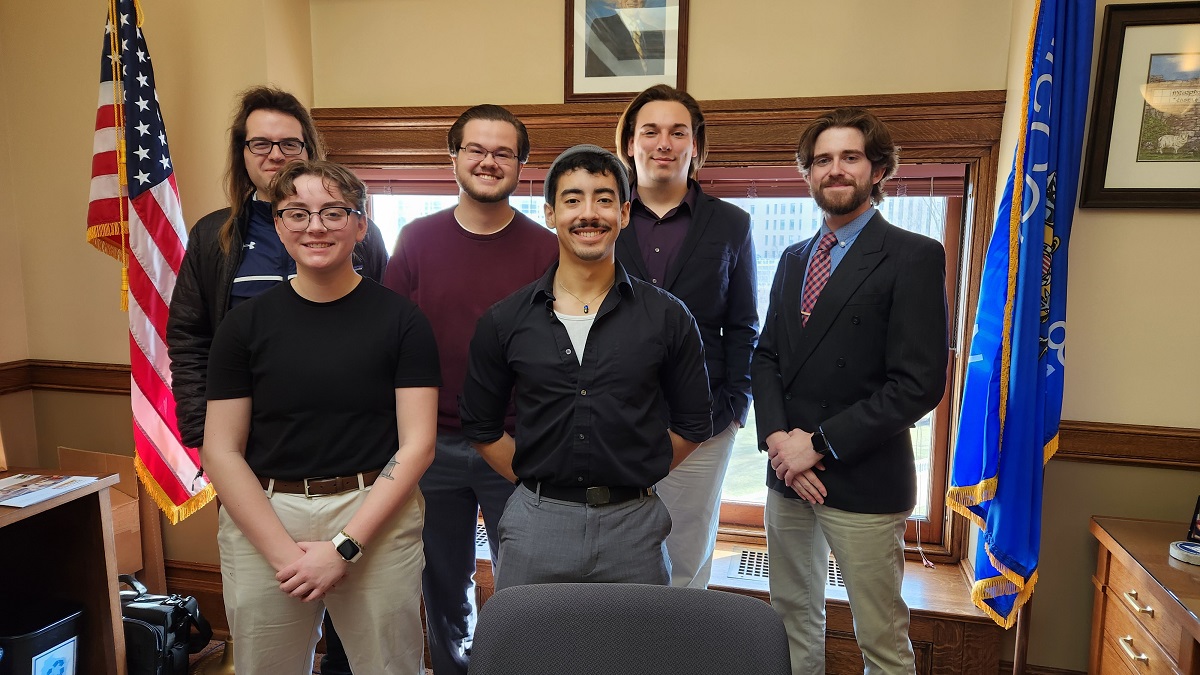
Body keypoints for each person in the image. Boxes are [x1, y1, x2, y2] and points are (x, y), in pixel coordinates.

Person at [166, 86, 382, 674]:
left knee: (356, 632)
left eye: (290, 142)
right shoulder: (216, 238)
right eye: (261, 143)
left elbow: (381, 330)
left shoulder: (361, 234)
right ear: (242, 153)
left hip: (353, 462)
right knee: (270, 627)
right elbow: (187, 338)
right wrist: (205, 436)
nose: (276, 153)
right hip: (254, 465)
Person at [203, 160, 439, 674]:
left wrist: (344, 547)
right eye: (298, 213)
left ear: (360, 224)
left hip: (374, 513)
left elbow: (418, 445)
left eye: (334, 212)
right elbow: (220, 451)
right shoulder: (243, 326)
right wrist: (285, 556)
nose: (316, 226)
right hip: (265, 517)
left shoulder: (403, 322)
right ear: (279, 225)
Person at [459, 144, 712, 590]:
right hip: (535, 523)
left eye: (604, 198)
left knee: (636, 659)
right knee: (527, 657)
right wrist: (537, 479)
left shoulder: (669, 317)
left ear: (625, 213)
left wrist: (634, 468)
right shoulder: (505, 320)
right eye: (573, 200)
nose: (588, 213)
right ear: (550, 214)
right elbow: (481, 427)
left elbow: (693, 424)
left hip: (634, 526)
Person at [750, 107, 949, 675]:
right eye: (821, 160)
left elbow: (918, 385)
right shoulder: (791, 259)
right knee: (791, 618)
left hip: (862, 475)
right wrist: (779, 442)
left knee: (880, 637)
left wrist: (818, 443)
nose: (834, 169)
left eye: (849, 157)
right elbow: (767, 357)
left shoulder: (913, 255)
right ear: (807, 174)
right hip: (788, 475)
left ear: (878, 169)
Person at [381, 104, 558, 675]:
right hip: (432, 445)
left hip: (519, 444)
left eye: (503, 152)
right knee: (442, 580)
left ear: (522, 165)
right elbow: (391, 344)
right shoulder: (416, 240)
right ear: (452, 157)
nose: (489, 161)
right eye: (476, 149)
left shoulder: (546, 249)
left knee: (525, 582)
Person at [614, 85, 757, 589]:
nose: (663, 143)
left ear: (696, 146)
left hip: (704, 421)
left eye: (678, 132)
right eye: (649, 131)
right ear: (629, 143)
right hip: (615, 418)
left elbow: (743, 325)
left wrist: (735, 407)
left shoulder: (731, 223)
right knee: (618, 548)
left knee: (687, 551)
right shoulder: (604, 218)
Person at [584, 0, 665, 77]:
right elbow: (595, 71)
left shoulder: (655, 33)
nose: (633, 0)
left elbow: (660, 71)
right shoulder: (602, 27)